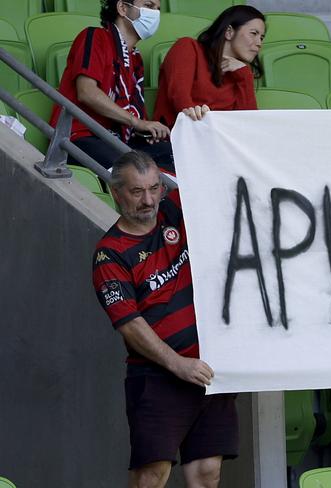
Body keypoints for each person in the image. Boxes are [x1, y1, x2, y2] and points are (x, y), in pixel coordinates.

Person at [92, 151, 237, 488]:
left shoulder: (174, 212)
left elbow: (211, 169)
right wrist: (178, 364)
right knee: (151, 476)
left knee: (207, 472)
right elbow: (130, 324)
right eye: (137, 191)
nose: (148, 200)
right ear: (116, 192)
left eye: (154, 188)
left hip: (206, 369)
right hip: (157, 377)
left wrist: (203, 125)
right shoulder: (109, 252)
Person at [50, 0, 174, 172]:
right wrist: (136, 122)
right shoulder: (94, 37)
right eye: (149, 6)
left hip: (119, 140)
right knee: (135, 170)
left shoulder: (135, 59)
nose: (155, 14)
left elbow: (134, 115)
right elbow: (86, 92)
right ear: (122, 8)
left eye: (158, 9)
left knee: (173, 155)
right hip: (82, 136)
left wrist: (145, 130)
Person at [153, 5, 263, 128]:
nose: (259, 43)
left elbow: (247, 124)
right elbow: (181, 102)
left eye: (262, 38)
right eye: (253, 33)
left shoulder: (240, 73)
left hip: (219, 142)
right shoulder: (188, 48)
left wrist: (244, 75)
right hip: (179, 138)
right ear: (229, 32)